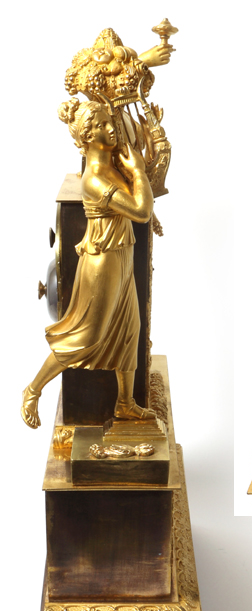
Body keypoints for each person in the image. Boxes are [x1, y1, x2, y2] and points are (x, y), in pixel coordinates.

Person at [21, 99, 155, 429]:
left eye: (110, 121)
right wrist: (138, 172)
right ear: (88, 136)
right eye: (102, 125)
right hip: (103, 260)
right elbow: (141, 211)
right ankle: (32, 389)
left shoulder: (114, 166)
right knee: (86, 336)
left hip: (122, 254)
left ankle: (125, 404)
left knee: (129, 329)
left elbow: (143, 188)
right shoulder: (94, 180)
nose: (112, 128)